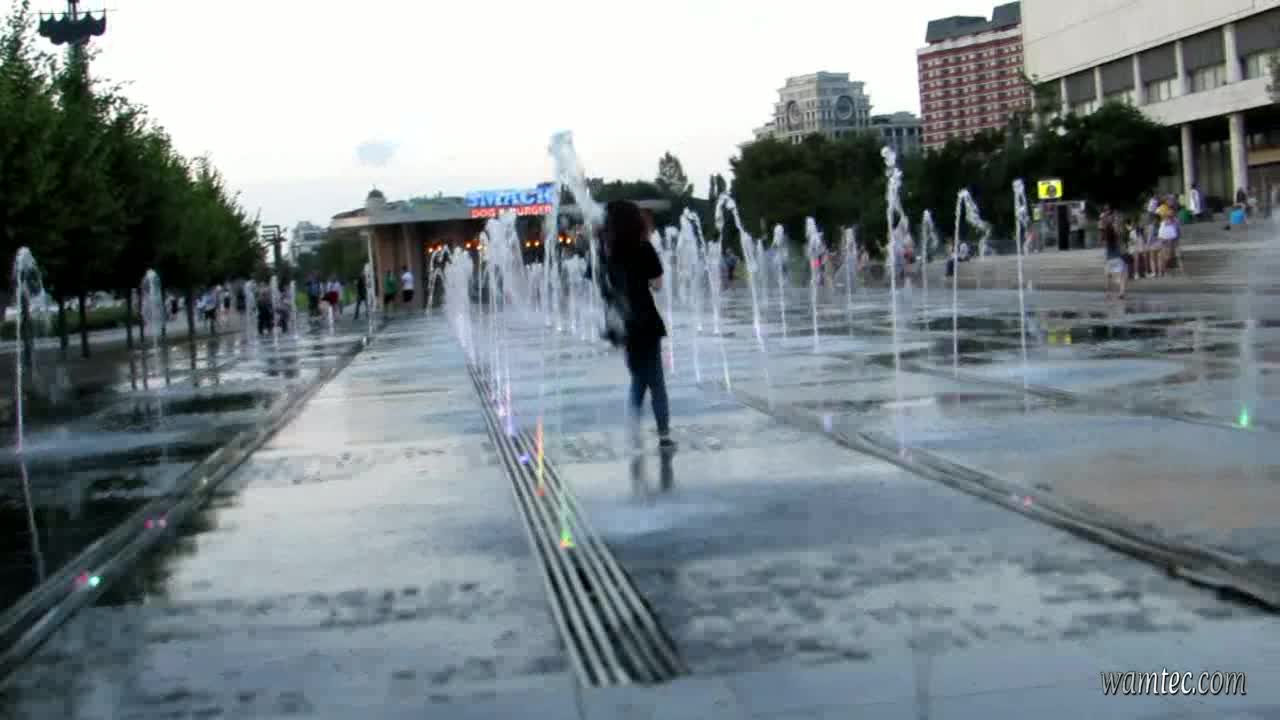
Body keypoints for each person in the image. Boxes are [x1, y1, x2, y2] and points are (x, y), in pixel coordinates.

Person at [600, 199, 673, 451]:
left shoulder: (607, 252)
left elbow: (602, 286)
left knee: (639, 378)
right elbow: (658, 284)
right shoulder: (643, 247)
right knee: (656, 381)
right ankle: (663, 435)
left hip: (624, 324)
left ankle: (633, 430)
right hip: (646, 321)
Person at [1102, 213, 1126, 300]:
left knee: (1108, 277)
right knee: (1122, 276)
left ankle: (1107, 293)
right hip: (1117, 258)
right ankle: (1121, 293)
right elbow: (1120, 244)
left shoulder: (1106, 237)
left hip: (1109, 259)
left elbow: (1105, 246)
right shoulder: (1116, 236)